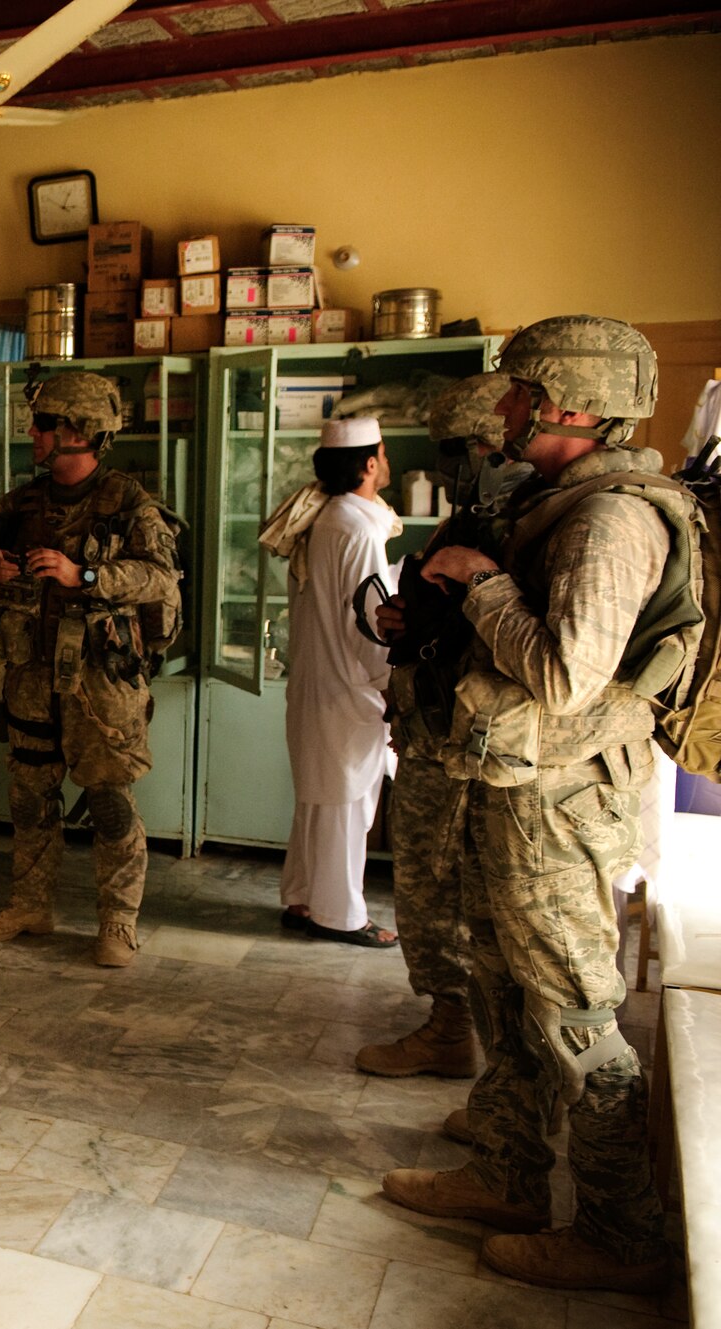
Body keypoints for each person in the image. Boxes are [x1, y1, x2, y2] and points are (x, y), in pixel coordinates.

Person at [381, 315, 691, 1292]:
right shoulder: (555, 502)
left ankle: (618, 1233)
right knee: (504, 995)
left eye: (516, 390)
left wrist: (476, 586)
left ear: (561, 402)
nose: (502, 407)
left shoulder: (610, 521)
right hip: (511, 791)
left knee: (570, 1018)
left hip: (556, 812)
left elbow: (561, 675)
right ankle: (506, 1174)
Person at [0, 371, 181, 968]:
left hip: (100, 685)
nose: (34, 433)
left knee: (109, 803)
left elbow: (160, 576)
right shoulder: (22, 501)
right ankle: (31, 905)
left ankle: (117, 922)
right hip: (28, 678)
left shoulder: (128, 501)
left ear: (80, 432)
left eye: (45, 424)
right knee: (29, 800)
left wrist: (86, 575)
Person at [357, 373, 523, 1086]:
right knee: (425, 894)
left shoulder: (538, 525)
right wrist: (403, 621)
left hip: (492, 751)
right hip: (434, 737)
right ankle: (450, 1029)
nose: (461, 462)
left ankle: (500, 1073)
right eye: (452, 448)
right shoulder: (465, 522)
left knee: (488, 916)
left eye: (474, 444)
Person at [275, 418, 399, 947]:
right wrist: (385, 682)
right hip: (346, 683)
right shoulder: (357, 526)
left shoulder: (327, 517)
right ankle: (340, 914)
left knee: (319, 798)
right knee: (347, 802)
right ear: (370, 463)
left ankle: (302, 897)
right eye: (384, 455)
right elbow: (370, 614)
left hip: (315, 679)